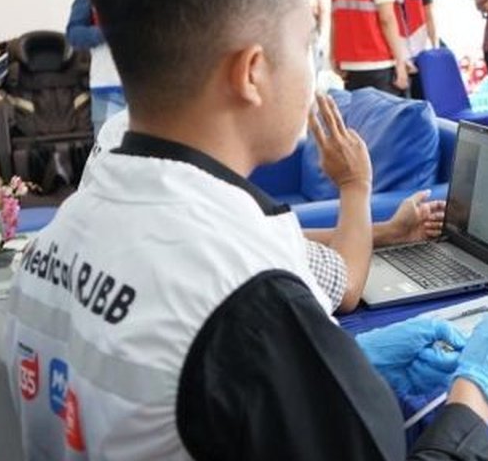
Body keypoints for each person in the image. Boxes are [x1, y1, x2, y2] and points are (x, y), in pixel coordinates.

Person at [7, 0, 488, 459]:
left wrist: (337, 367)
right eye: (305, 46)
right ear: (251, 72)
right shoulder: (242, 294)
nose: (314, 69)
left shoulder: (58, 236)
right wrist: (476, 395)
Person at [83, 107, 446, 313]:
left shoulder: (122, 133)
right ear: (249, 69)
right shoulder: (200, 181)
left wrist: (388, 231)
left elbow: (263, 236)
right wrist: (355, 185)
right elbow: (346, 287)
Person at [65, 0, 125, 134]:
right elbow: (74, 34)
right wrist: (108, 31)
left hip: (151, 91)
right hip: (109, 90)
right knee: (107, 155)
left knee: (150, 156)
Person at [383, 0, 439, 99]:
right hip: (396, 59)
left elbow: (430, 16)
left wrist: (434, 47)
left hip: (421, 54)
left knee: (426, 102)